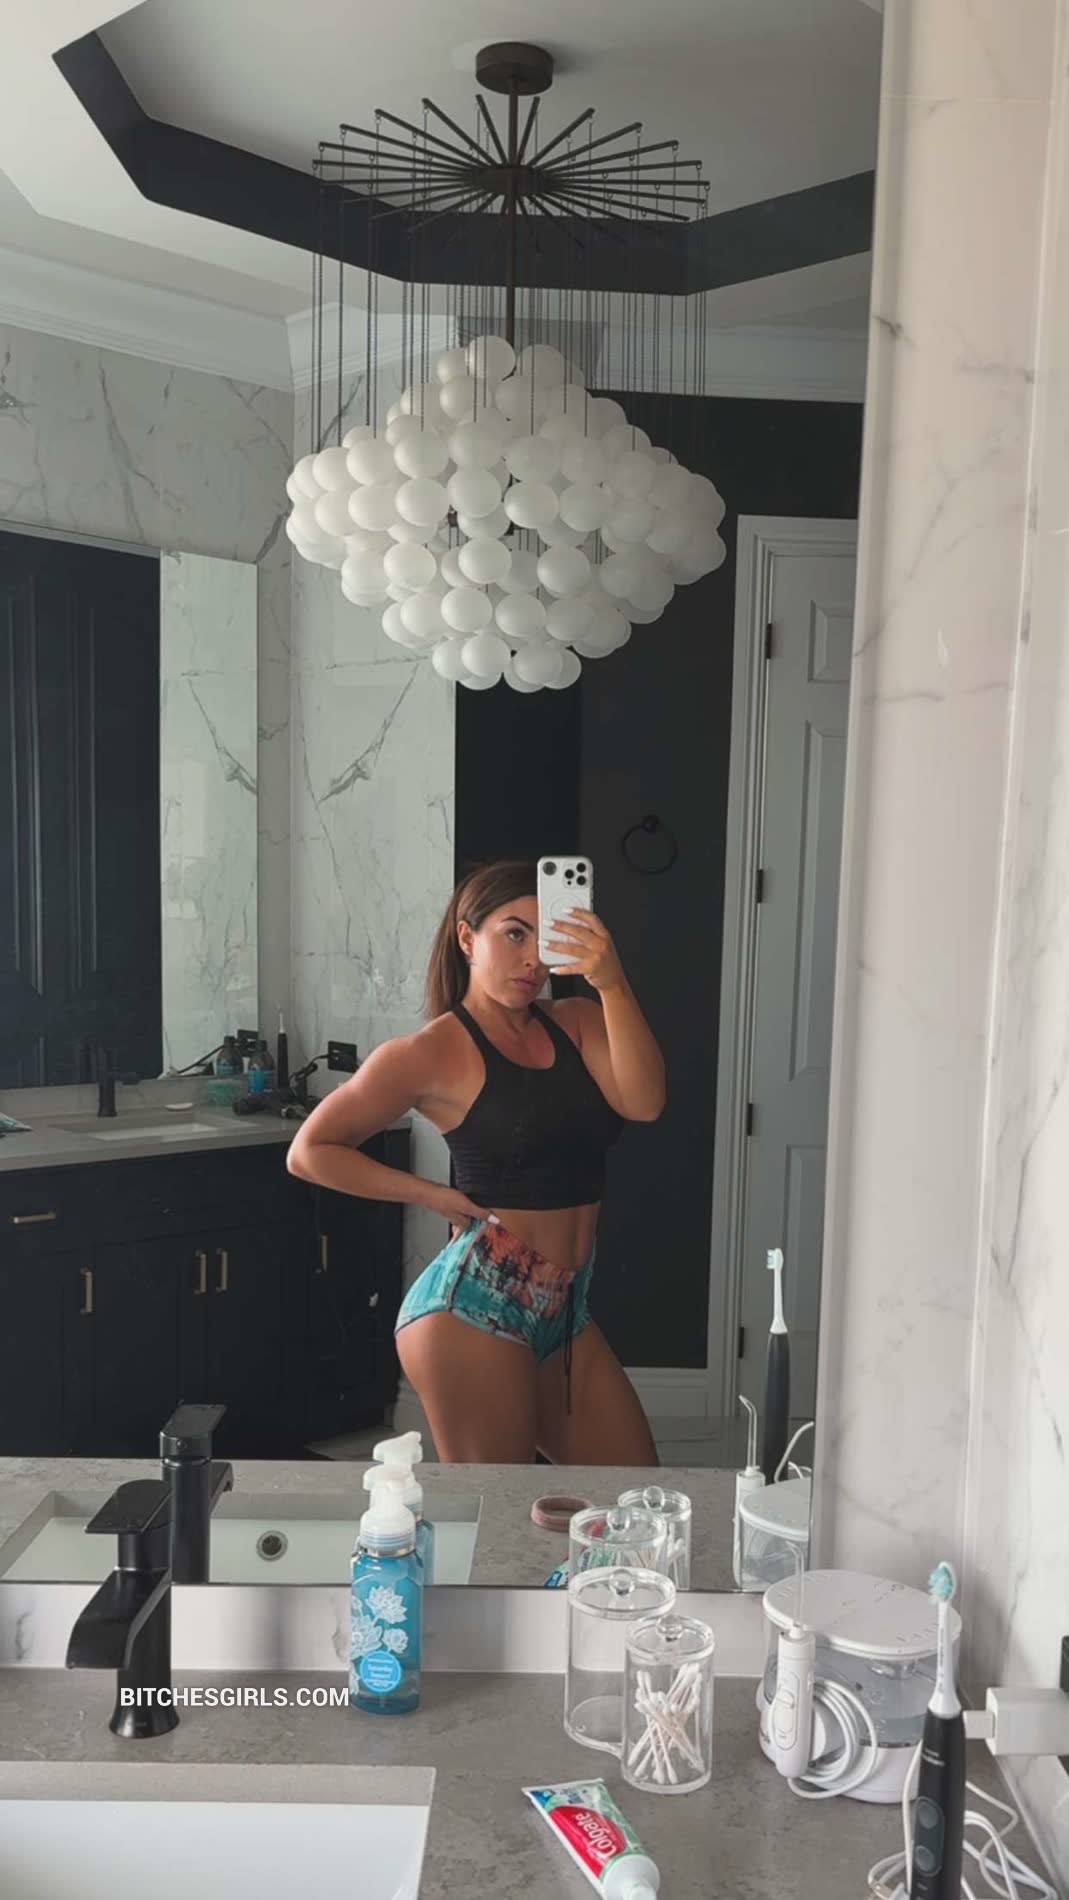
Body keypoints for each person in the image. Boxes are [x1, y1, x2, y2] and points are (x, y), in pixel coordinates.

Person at [287, 859, 666, 1464]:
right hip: (474, 1306)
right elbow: (310, 1151)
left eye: (546, 936)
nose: (533, 958)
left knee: (632, 1494)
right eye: (514, 933)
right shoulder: (430, 1051)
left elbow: (645, 1102)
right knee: (497, 1507)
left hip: (565, 1304)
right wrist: (431, 1194)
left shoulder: (577, 1022)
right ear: (468, 938)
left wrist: (612, 982)